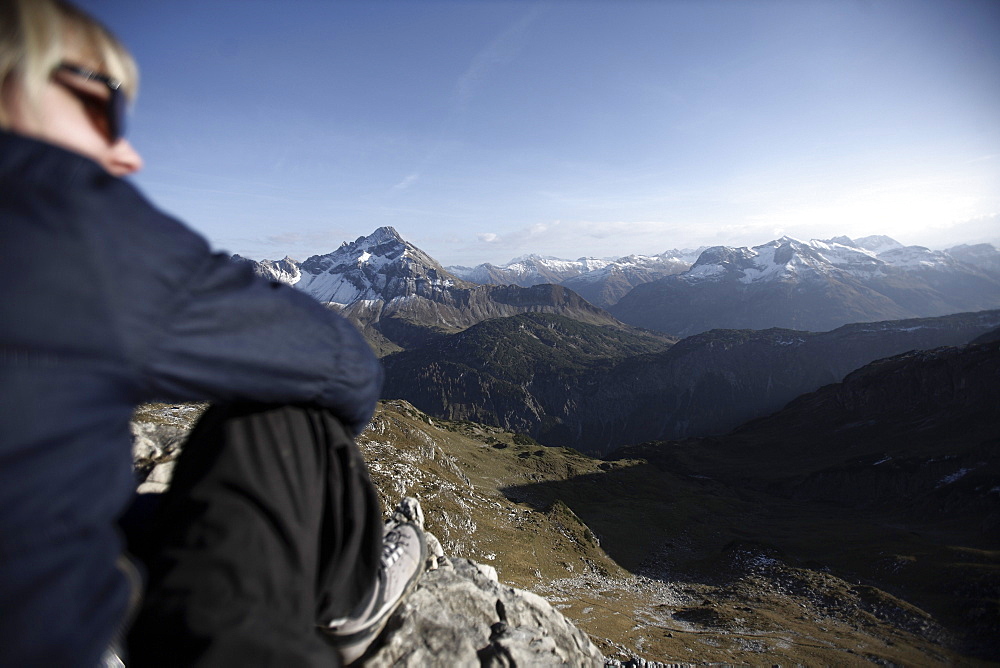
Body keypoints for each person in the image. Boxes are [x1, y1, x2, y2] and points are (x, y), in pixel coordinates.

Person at [0, 1, 425, 665]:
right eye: (103, 104)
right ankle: (349, 593)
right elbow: (345, 367)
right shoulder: (59, 216)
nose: (128, 152)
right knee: (282, 412)